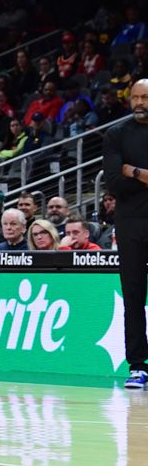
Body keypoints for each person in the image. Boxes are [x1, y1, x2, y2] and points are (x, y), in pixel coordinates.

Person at [103, 78, 148, 388]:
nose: (139, 102)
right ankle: (137, 365)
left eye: (144, 97)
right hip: (130, 222)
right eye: (135, 97)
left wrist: (129, 169)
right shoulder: (117, 133)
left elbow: (122, 175)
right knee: (132, 296)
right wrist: (142, 174)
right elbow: (113, 182)